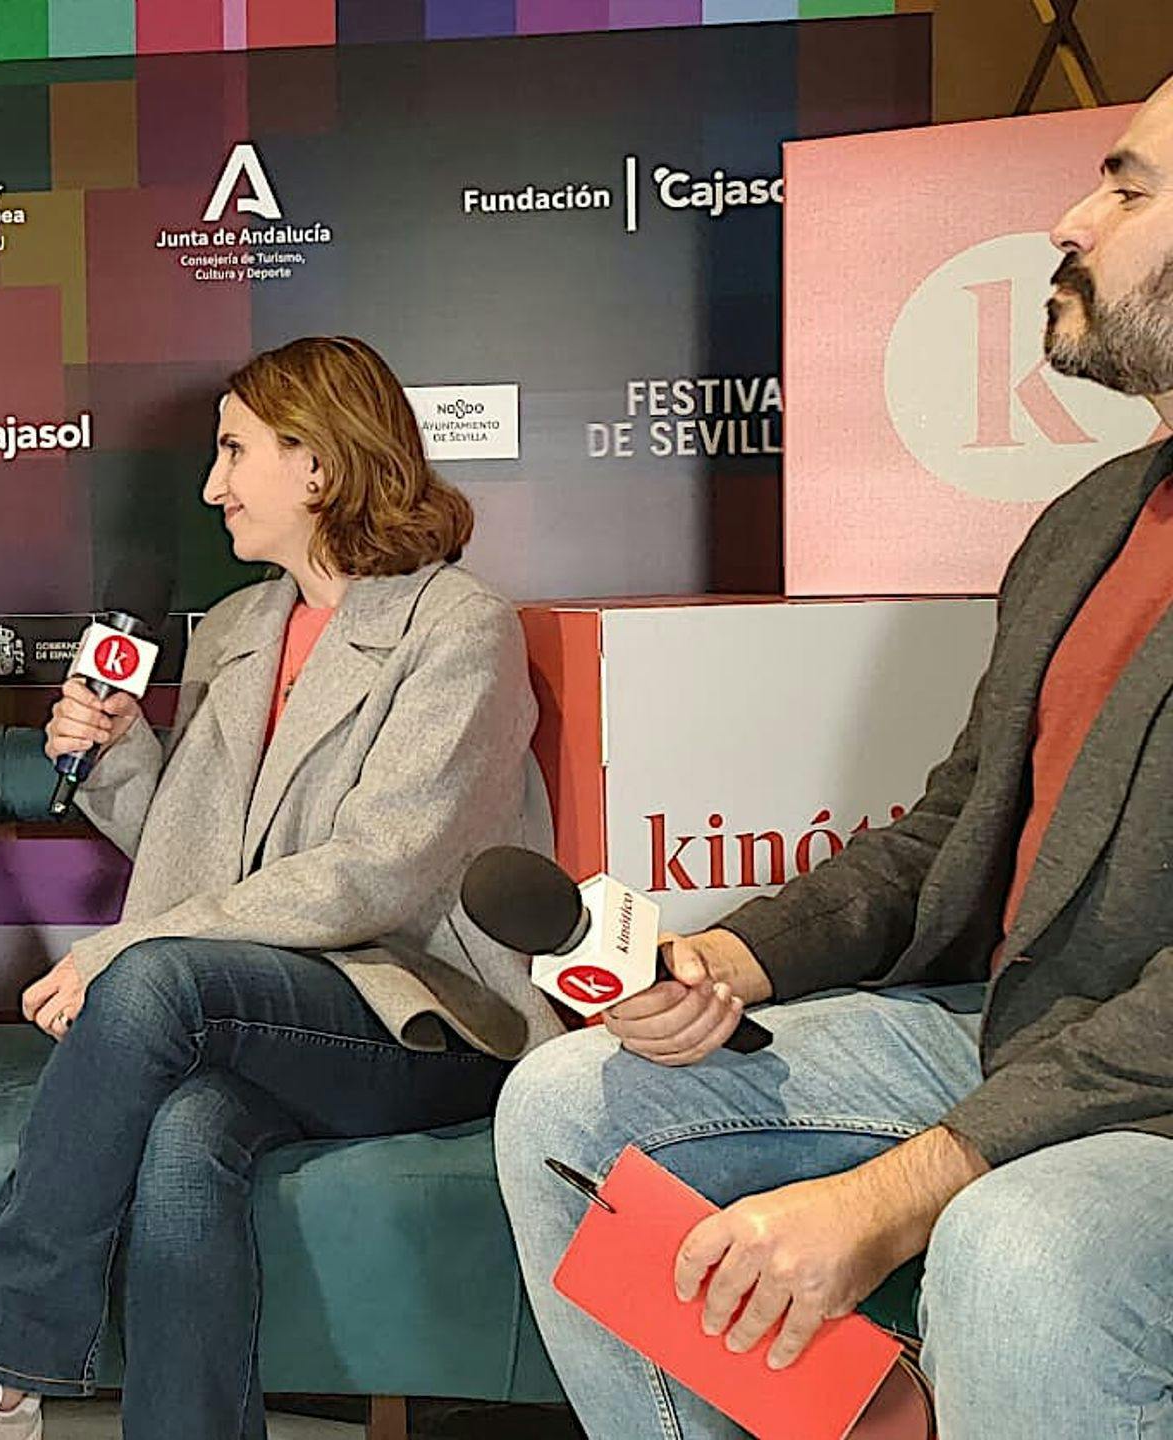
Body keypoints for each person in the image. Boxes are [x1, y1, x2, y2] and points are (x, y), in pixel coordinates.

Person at [493, 79, 1173, 1439]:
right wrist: (727, 964)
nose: (1072, 217)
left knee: (1018, 1245)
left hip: (1145, 1092)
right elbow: (946, 831)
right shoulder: (1087, 519)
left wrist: (905, 1190)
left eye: (1129, 189)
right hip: (1011, 1035)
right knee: (566, 1109)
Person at [0, 336, 559, 1440]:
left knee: (148, 984)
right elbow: (201, 863)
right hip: (267, 1004)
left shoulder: (456, 627)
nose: (211, 485)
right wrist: (119, 756)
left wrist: (119, 953)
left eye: (234, 452)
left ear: (318, 464)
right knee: (186, 1133)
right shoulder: (243, 625)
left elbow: (378, 869)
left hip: (417, 1014)